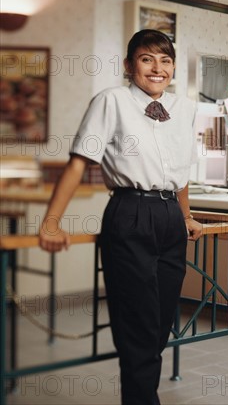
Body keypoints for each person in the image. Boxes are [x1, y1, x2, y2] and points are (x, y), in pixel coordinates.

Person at [38, 29, 204, 405]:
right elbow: (79, 164)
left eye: (165, 60)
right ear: (130, 66)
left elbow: (180, 172)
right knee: (138, 327)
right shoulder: (111, 101)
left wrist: (187, 215)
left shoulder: (185, 108)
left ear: (173, 67)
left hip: (169, 220)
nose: (157, 68)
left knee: (159, 325)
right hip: (130, 213)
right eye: (147, 59)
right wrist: (51, 222)